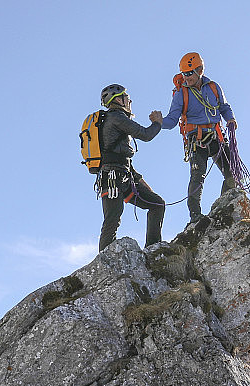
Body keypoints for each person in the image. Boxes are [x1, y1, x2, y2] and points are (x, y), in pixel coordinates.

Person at [161, 52, 238, 224]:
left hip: (216, 136)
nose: (186, 78)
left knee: (232, 171)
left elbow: (224, 107)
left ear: (200, 70)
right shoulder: (181, 94)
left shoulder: (213, 87)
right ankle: (195, 215)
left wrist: (230, 119)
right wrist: (159, 122)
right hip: (197, 139)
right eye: (184, 74)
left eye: (189, 73)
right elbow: (172, 120)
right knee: (198, 176)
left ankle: (224, 204)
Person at [96, 84, 165, 251]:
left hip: (122, 175)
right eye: (126, 97)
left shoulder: (115, 118)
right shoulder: (116, 117)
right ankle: (105, 262)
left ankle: (152, 249)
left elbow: (120, 156)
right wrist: (157, 123)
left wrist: (138, 179)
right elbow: (145, 134)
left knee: (157, 204)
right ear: (118, 100)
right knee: (113, 219)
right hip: (112, 177)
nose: (130, 100)